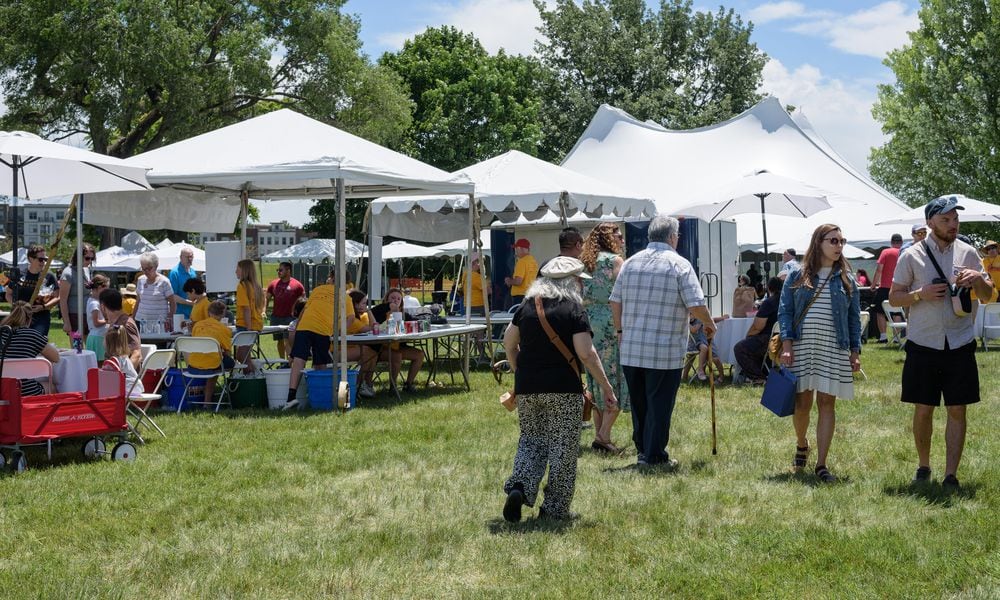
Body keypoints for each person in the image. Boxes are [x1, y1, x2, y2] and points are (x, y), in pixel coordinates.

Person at [501, 256, 617, 522]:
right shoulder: (573, 310)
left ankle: (519, 486)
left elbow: (509, 343)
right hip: (564, 388)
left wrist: (520, 372)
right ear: (570, 282)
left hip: (528, 387)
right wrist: (606, 386)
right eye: (579, 280)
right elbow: (586, 354)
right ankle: (554, 509)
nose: (581, 285)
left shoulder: (527, 307)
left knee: (531, 441)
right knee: (563, 448)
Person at [888, 196, 993, 489]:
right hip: (923, 342)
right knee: (923, 407)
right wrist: (919, 294)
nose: (953, 225)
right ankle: (923, 465)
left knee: (958, 408)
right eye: (946, 220)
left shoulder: (969, 252)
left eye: (955, 219)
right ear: (930, 222)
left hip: (959, 341)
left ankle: (951, 474)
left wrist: (978, 279)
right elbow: (894, 297)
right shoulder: (911, 255)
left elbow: (987, 296)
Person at [610, 215, 716, 468]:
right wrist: (710, 324)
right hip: (663, 349)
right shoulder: (679, 264)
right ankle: (655, 455)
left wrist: (620, 331)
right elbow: (696, 304)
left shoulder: (631, 263)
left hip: (632, 347)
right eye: (677, 236)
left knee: (640, 405)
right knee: (659, 404)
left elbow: (615, 301)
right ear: (672, 237)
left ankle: (643, 452)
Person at [777, 224, 862, 483]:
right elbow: (785, 311)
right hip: (802, 345)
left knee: (827, 403)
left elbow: (853, 318)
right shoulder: (797, 274)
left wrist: (855, 351)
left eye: (841, 241)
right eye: (833, 241)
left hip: (833, 346)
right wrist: (788, 346)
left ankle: (821, 464)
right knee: (802, 403)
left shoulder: (846, 278)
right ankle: (802, 443)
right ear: (819, 242)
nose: (839, 246)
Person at [579, 223, 629, 454]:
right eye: (617, 235)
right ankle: (603, 435)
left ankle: (602, 440)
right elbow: (621, 295)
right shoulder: (615, 262)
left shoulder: (584, 263)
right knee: (615, 378)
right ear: (609, 238)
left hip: (588, 321)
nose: (621, 239)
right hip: (610, 321)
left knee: (596, 376)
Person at [284, 273, 349, 410]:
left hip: (306, 326)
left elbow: (304, 311)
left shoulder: (319, 290)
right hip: (322, 330)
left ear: (331, 278)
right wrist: (336, 331)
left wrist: (297, 326)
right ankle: (321, 396)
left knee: (299, 360)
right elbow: (351, 318)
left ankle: (291, 397)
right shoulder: (345, 296)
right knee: (320, 363)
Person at [365, 288, 425, 395]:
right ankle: (393, 387)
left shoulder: (403, 314)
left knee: (419, 354)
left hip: (397, 346)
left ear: (401, 301)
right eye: (392, 298)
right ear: (386, 299)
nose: (395, 300)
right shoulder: (378, 310)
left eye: (398, 298)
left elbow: (416, 322)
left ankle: (408, 384)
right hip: (380, 348)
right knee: (397, 355)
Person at [0, 302, 61, 396]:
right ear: (30, 319)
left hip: (2, 390)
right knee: (51, 386)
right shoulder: (32, 335)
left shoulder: (2, 333)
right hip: (26, 390)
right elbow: (56, 357)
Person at [733, 277, 783, 383]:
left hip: (769, 340)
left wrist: (748, 335)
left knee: (739, 348)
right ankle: (764, 372)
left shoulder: (769, 302)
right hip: (784, 339)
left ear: (769, 288)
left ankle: (758, 377)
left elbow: (758, 326)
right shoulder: (786, 302)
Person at [5, 244, 59, 336]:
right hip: (20, 317)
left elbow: (57, 296)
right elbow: (8, 294)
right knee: (20, 344)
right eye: (40, 259)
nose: (43, 262)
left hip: (41, 318)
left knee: (38, 344)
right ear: (31, 259)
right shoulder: (21, 274)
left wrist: (44, 307)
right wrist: (17, 306)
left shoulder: (49, 276)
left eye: (45, 260)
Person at [189, 300, 236, 404]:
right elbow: (228, 352)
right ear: (223, 314)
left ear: (209, 312)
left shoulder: (197, 326)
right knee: (225, 363)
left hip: (193, 364)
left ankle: (207, 399)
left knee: (213, 361)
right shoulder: (224, 329)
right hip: (211, 364)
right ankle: (208, 401)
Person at [265, 261, 305, 359]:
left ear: (288, 270)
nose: (278, 272)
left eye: (281, 270)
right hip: (276, 317)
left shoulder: (297, 285)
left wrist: (299, 314)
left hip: (290, 317)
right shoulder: (273, 284)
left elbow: (303, 301)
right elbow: (267, 298)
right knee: (279, 341)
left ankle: (289, 361)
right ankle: (282, 360)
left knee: (287, 340)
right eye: (278, 270)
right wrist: (264, 310)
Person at [99, 287, 142, 370]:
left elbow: (137, 354)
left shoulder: (126, 325)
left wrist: (121, 376)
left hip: (124, 379)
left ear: (103, 307)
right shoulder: (116, 323)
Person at [871, 233, 903, 343]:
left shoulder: (886, 252)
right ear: (901, 242)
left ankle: (883, 337)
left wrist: (873, 284)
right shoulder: (904, 252)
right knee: (897, 312)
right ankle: (896, 338)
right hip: (899, 286)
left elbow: (879, 269)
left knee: (880, 312)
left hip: (885, 287)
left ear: (891, 242)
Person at [58, 242, 95, 335]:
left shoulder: (85, 270)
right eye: (87, 258)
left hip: (88, 314)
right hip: (74, 317)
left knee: (90, 347)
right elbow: (62, 300)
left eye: (92, 258)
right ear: (78, 256)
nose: (90, 261)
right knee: (77, 348)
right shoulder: (68, 273)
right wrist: (66, 322)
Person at [133, 252, 176, 330]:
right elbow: (138, 302)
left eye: (149, 268)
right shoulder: (140, 280)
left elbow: (173, 304)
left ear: (156, 266)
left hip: (159, 324)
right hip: (140, 322)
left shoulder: (164, 281)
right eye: (143, 268)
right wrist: (132, 319)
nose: (146, 271)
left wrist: (169, 320)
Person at [103, 325, 143, 397]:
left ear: (108, 343)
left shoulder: (114, 360)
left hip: (128, 388)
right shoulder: (124, 357)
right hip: (135, 387)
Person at [686, 317, 724, 384]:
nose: (691, 316)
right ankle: (699, 371)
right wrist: (686, 322)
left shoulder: (700, 318)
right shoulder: (686, 321)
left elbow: (712, 319)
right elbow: (693, 330)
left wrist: (722, 318)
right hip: (696, 343)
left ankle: (721, 377)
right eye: (689, 314)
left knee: (716, 359)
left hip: (708, 341)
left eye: (692, 314)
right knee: (703, 348)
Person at [505, 238, 538, 306]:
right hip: (531, 294)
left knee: (519, 316)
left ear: (521, 249)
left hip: (520, 297)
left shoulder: (522, 261)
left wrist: (509, 281)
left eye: (516, 249)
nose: (515, 251)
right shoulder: (533, 261)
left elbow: (518, 281)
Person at [84, 274, 110, 361]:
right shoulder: (94, 303)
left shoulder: (94, 301)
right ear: (99, 288)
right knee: (100, 364)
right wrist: (108, 321)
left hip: (98, 336)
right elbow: (96, 323)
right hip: (97, 337)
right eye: (105, 289)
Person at [235, 259, 264, 333]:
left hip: (245, 325)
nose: (235, 272)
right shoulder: (257, 287)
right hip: (257, 324)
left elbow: (246, 309)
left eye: (237, 269)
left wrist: (248, 329)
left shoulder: (242, 286)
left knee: (241, 344)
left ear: (244, 271)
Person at [168, 246, 198, 319]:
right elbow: (172, 296)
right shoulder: (174, 273)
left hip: (193, 313)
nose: (190, 259)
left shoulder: (193, 272)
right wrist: (189, 303)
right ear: (181, 257)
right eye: (187, 257)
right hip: (180, 315)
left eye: (191, 257)